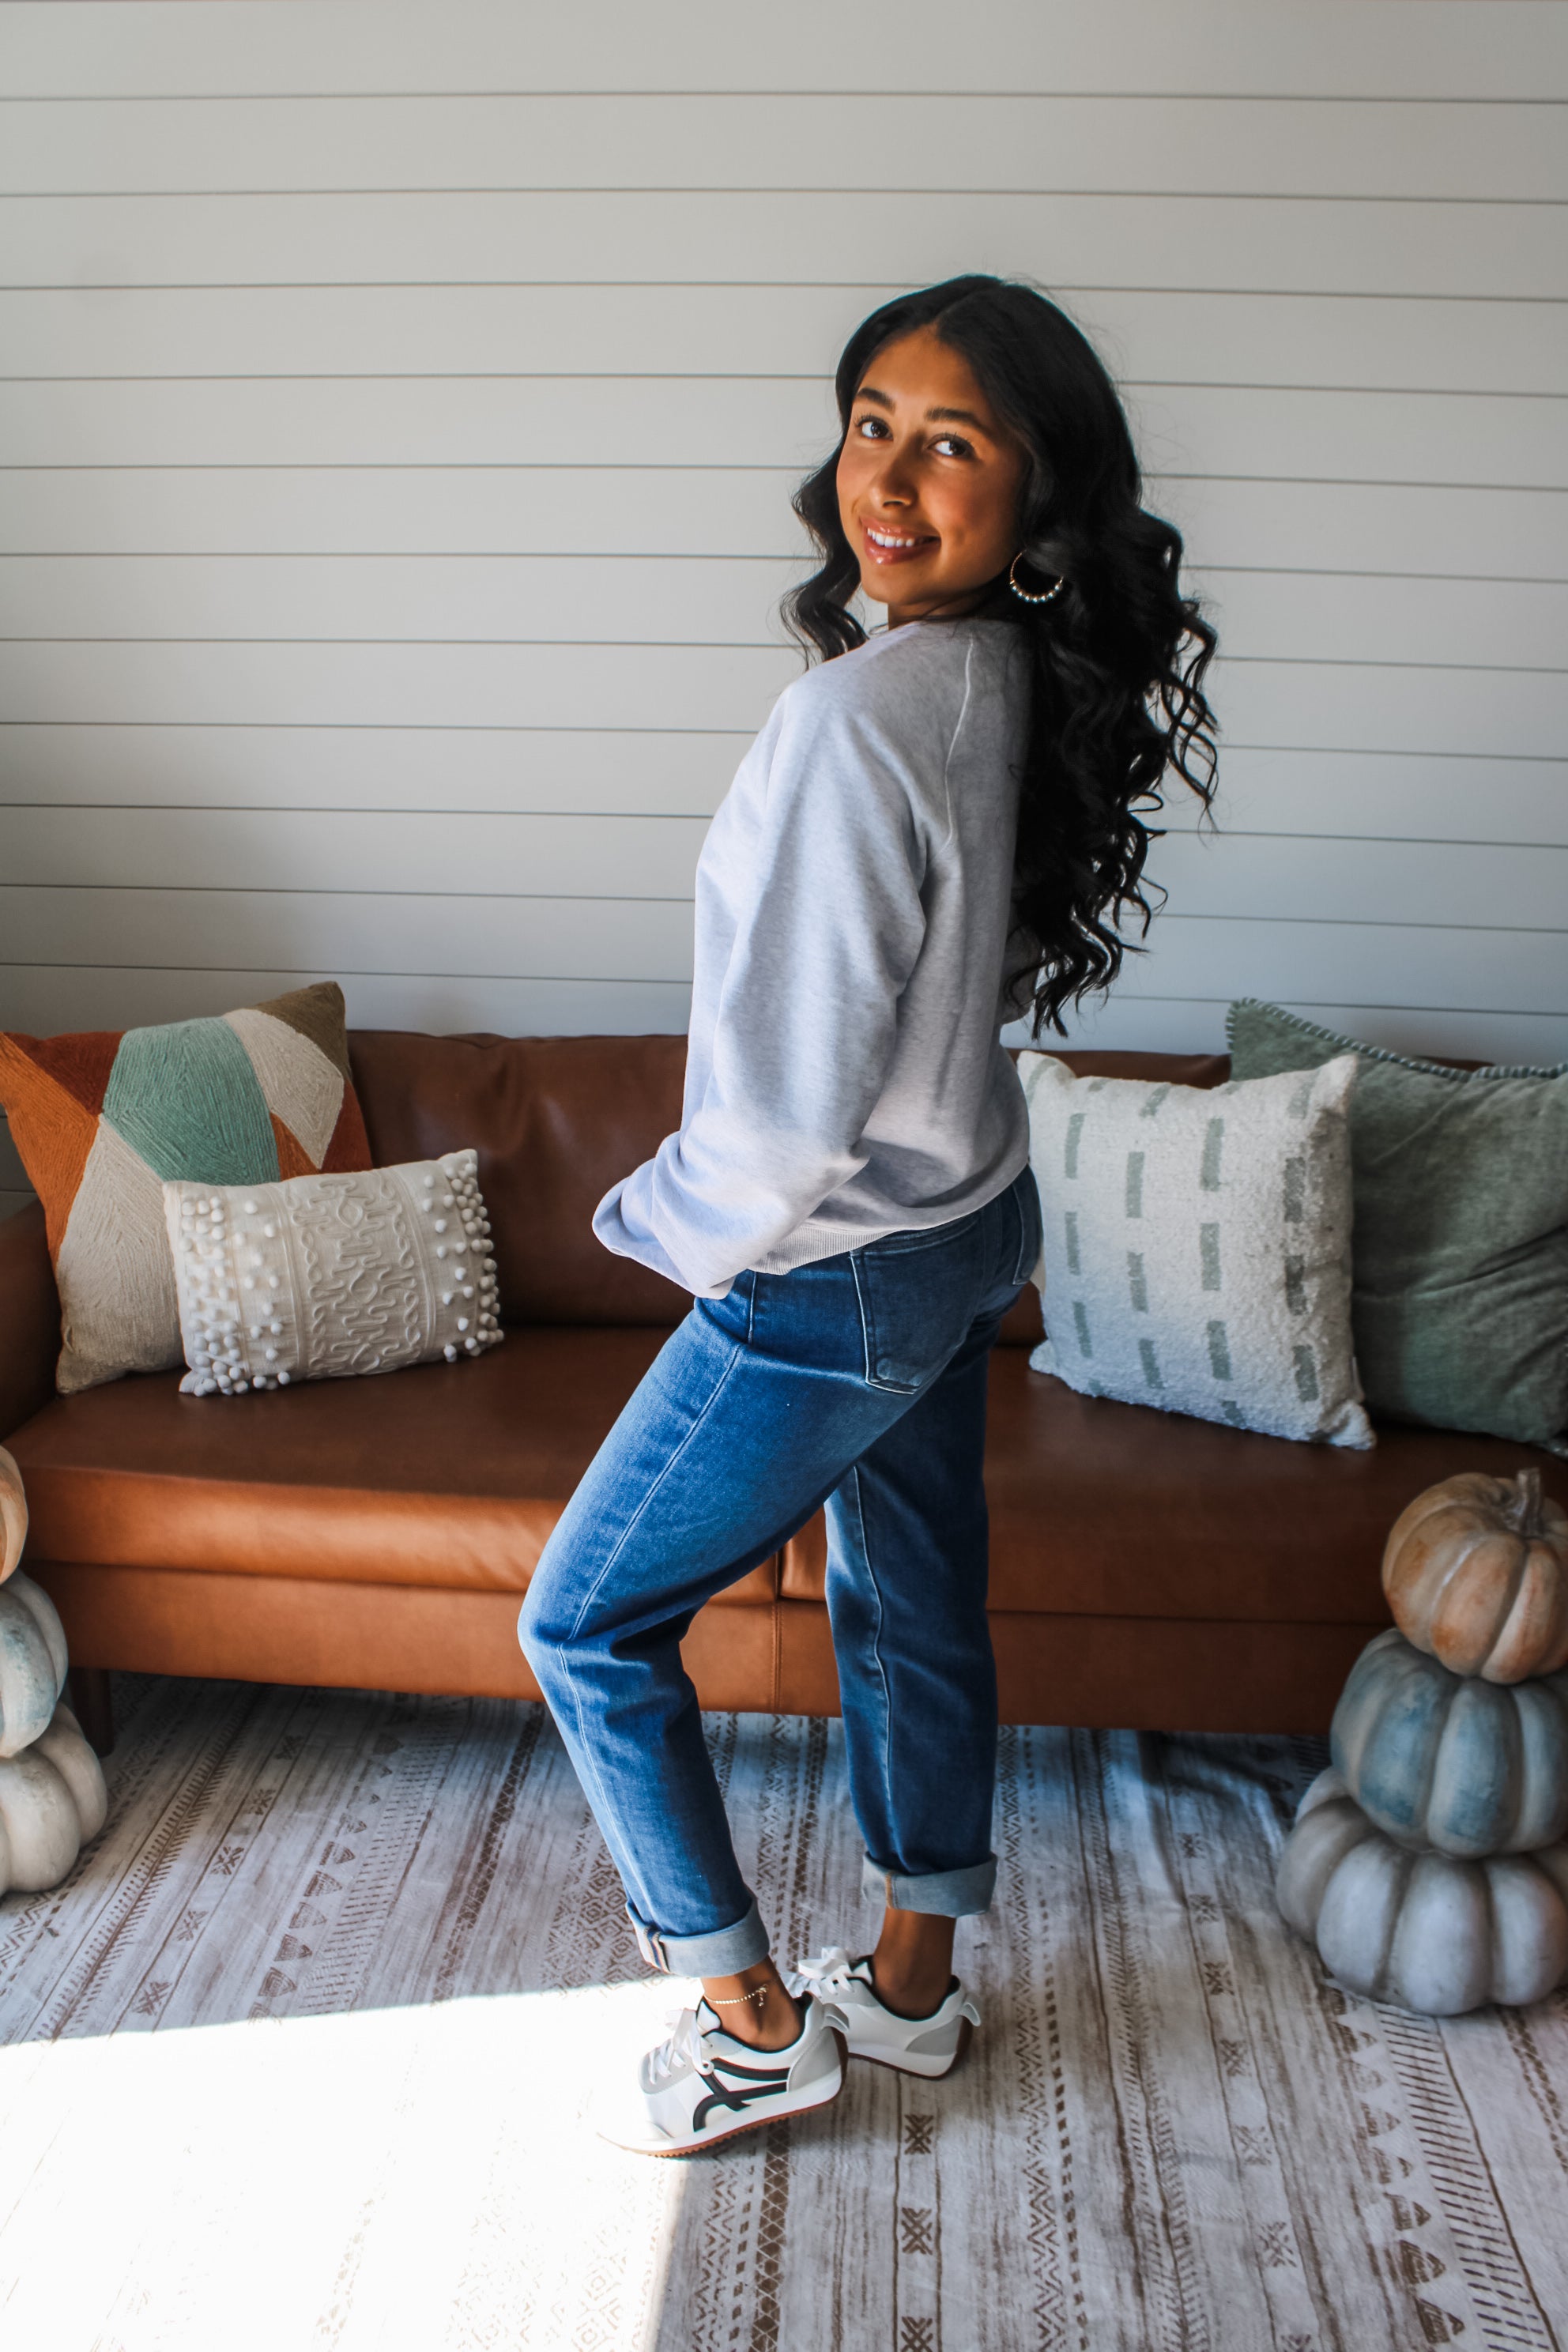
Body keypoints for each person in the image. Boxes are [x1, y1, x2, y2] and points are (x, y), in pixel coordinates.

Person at [520, 274, 1217, 2157]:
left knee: (585, 1626)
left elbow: (781, 1119)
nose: (886, 480)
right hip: (961, 1225)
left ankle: (751, 2027)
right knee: (908, 1601)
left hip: (830, 1264)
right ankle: (908, 1989)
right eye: (868, 425)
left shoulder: (854, 719)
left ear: (1038, 496)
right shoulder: (1002, 681)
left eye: (950, 441)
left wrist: (650, 1225)